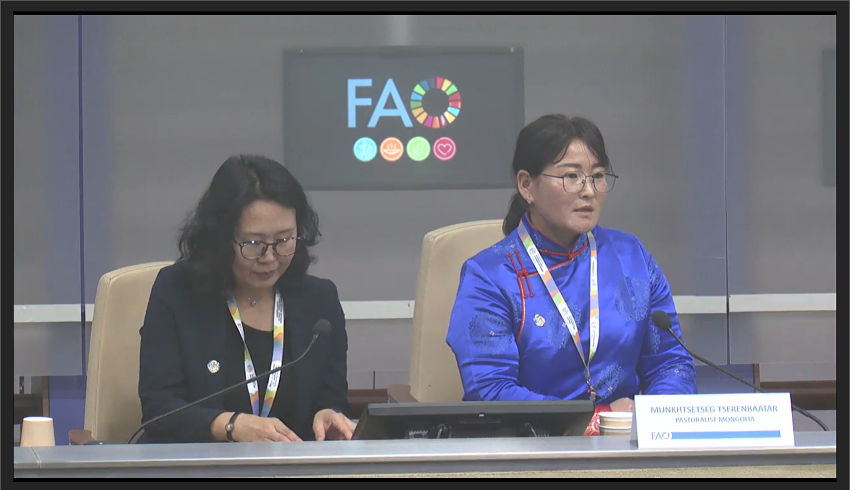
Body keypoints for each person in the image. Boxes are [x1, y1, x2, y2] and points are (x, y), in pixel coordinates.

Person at [445, 115, 697, 435]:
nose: (588, 191)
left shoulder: (632, 258)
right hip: (532, 447)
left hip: (627, 442)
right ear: (526, 185)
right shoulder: (489, 277)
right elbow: (490, 391)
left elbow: (671, 363)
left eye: (597, 176)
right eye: (571, 176)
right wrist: (597, 419)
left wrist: (653, 420)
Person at [138, 155, 354, 443]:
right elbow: (159, 410)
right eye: (253, 243)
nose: (269, 258)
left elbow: (331, 399)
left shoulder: (319, 301)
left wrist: (328, 416)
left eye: (284, 240)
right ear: (220, 238)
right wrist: (231, 426)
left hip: (292, 465)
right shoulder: (177, 292)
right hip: (200, 463)